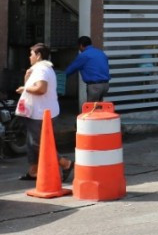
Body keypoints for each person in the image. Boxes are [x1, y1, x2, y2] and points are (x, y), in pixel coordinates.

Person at [16, 43, 74, 183]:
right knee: (32, 143)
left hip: (41, 113)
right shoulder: (39, 69)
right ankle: (33, 171)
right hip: (36, 111)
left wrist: (24, 88)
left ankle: (65, 163)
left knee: (39, 144)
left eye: (31, 54)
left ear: (39, 55)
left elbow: (41, 89)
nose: (29, 57)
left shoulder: (42, 69)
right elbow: (32, 86)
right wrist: (26, 78)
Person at [64, 36, 111, 102]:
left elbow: (72, 68)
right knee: (99, 108)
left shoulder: (84, 55)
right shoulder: (101, 53)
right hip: (105, 85)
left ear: (81, 45)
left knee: (91, 109)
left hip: (95, 86)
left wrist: (61, 76)